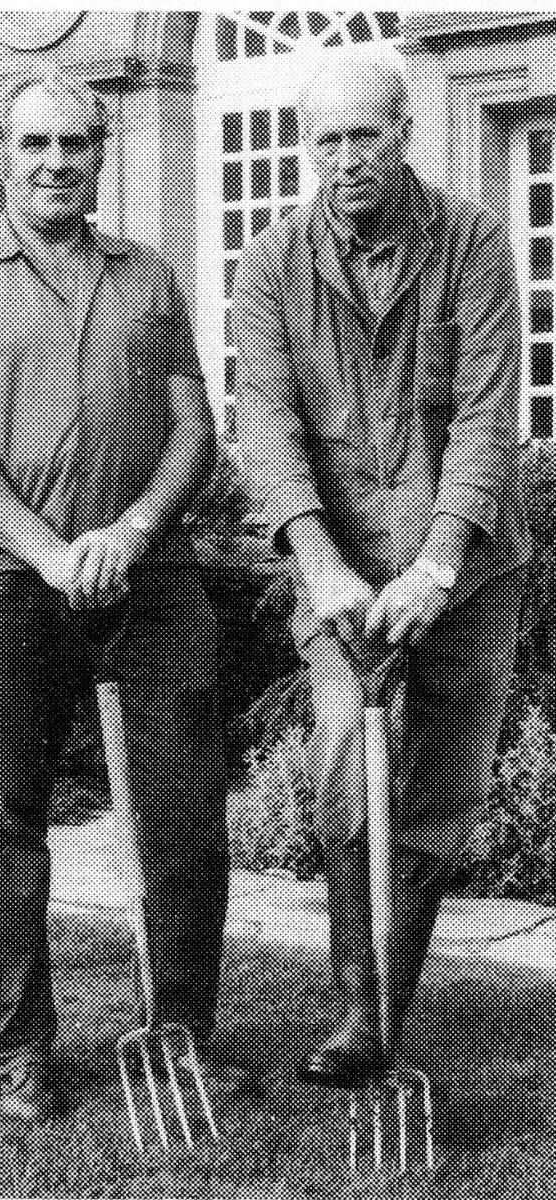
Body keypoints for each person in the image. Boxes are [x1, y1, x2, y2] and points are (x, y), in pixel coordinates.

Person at [0, 73, 229, 1122]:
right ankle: (22, 1052)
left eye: (74, 143)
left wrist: (131, 532)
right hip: (1, 583)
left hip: (152, 577)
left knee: (182, 813)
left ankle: (178, 1033)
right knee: (7, 818)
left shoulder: (150, 276)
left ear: (102, 146)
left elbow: (192, 430)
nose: (54, 162)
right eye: (34, 143)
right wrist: (49, 551)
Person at [232, 51, 530, 1087]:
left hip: (471, 570)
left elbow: (491, 414)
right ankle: (359, 1016)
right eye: (328, 139)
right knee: (344, 781)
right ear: (305, 147)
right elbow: (264, 427)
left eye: (366, 134)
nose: (347, 158)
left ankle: (379, 1014)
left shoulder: (476, 241)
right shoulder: (270, 263)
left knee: (441, 799)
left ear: (404, 132)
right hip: (341, 573)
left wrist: (440, 563)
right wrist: (320, 562)